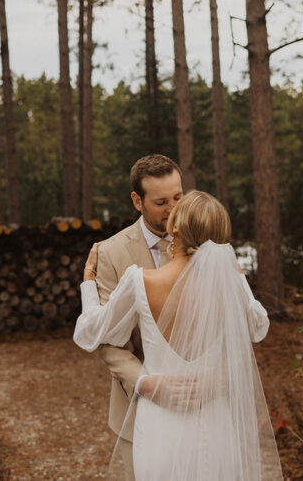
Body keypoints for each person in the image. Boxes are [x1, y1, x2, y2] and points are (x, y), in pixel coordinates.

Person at [74, 190, 283, 480]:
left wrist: (88, 284)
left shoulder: (140, 281)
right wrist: (238, 277)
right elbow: (258, 327)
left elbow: (88, 333)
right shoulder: (229, 285)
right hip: (216, 422)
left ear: (175, 228)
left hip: (160, 426)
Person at [89, 154, 185, 479]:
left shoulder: (205, 244)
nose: (173, 208)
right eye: (161, 202)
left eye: (178, 197)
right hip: (139, 410)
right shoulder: (111, 253)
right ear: (137, 201)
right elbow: (108, 342)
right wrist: (149, 384)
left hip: (198, 407)